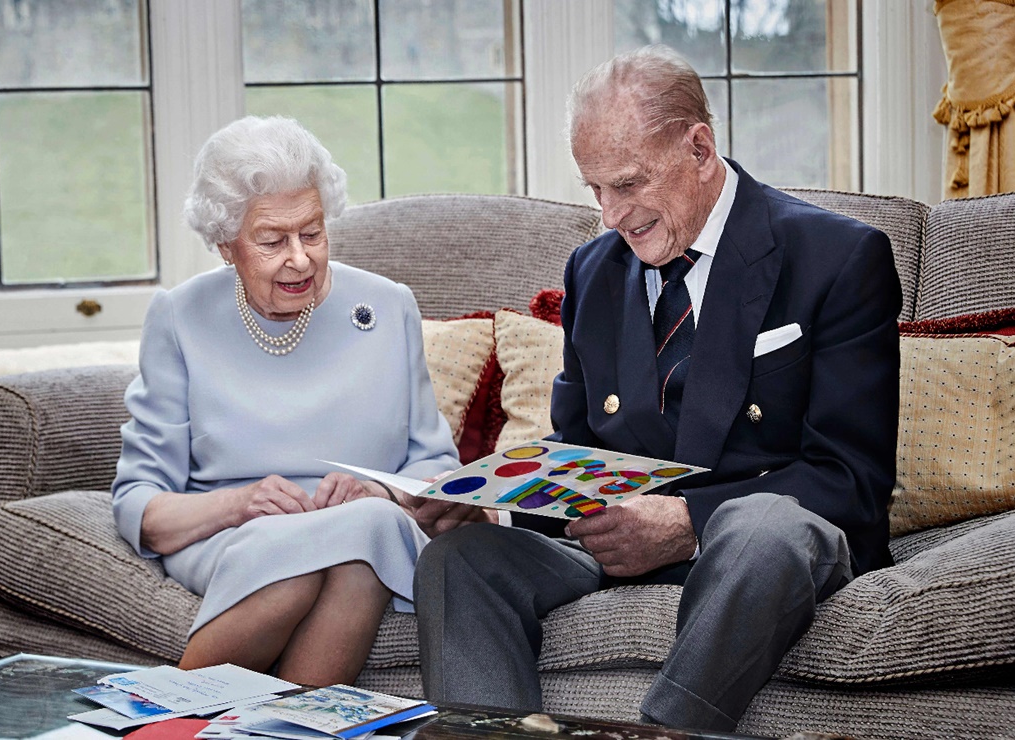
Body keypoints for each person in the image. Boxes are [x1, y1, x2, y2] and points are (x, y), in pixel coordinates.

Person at [410, 46, 901, 732]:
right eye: (595, 190)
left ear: (699, 148)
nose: (612, 215)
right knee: (460, 560)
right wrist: (495, 504)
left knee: (763, 527)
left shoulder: (838, 257)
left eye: (629, 183)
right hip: (615, 551)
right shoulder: (594, 269)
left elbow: (851, 479)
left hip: (757, 555)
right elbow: (577, 446)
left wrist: (686, 525)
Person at [112, 115, 460, 685]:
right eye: (272, 241)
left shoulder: (388, 305)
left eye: (313, 233)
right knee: (318, 560)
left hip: (363, 523)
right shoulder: (180, 317)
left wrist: (376, 489)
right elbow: (141, 504)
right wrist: (239, 504)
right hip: (229, 532)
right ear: (226, 246)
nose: (300, 258)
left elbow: (437, 467)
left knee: (362, 536)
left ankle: (165, 720)